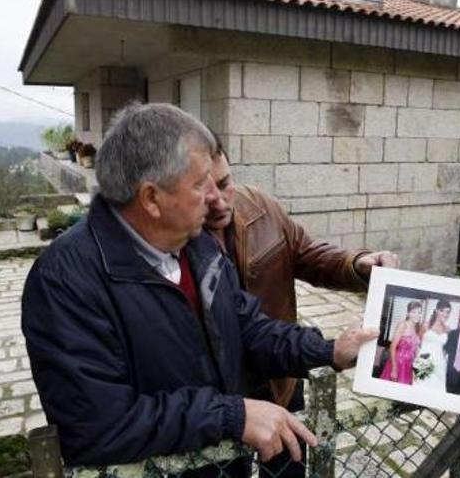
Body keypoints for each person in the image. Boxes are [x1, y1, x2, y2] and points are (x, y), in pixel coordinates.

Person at [21, 103, 377, 471]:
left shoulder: (197, 244)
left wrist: (329, 349)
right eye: (200, 183)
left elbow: (248, 329)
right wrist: (232, 416)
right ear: (152, 199)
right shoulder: (65, 282)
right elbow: (98, 428)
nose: (216, 197)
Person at [203, 135, 399, 477]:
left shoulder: (261, 206)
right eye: (206, 193)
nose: (219, 202)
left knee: (286, 472)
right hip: (219, 396)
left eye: (225, 184)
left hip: (282, 375)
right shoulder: (173, 237)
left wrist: (358, 263)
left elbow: (307, 253)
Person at [378, 302, 424, 385]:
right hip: (398, 363)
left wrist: (420, 364)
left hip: (410, 365)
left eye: (419, 312)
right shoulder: (403, 325)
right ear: (408, 313)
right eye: (413, 312)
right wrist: (394, 369)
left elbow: (415, 349)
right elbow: (392, 347)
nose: (417, 315)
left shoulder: (417, 327)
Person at [415, 300, 451, 391]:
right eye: (442, 311)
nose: (445, 314)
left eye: (448, 312)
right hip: (424, 362)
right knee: (421, 388)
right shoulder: (425, 326)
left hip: (440, 364)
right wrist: (418, 363)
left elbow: (446, 350)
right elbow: (417, 344)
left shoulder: (448, 329)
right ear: (436, 311)